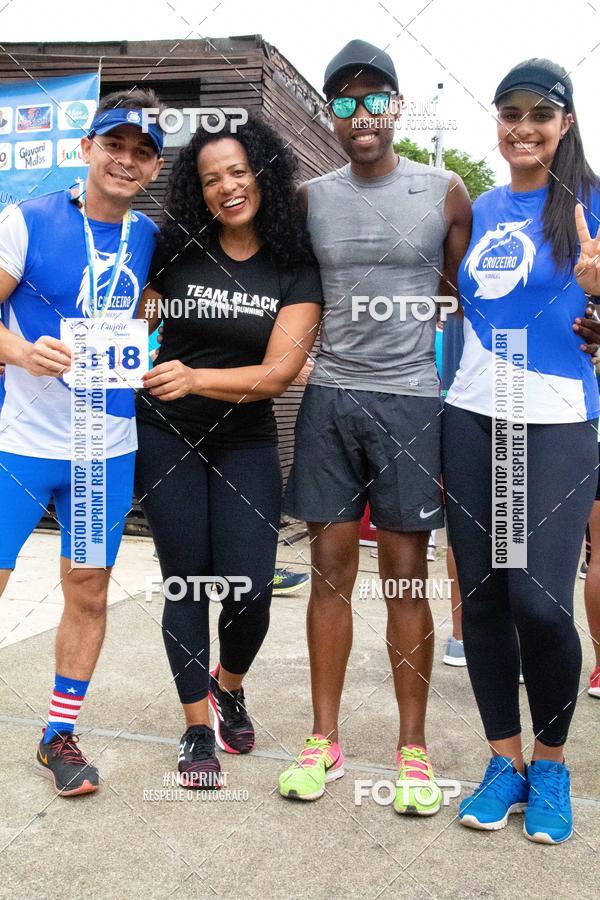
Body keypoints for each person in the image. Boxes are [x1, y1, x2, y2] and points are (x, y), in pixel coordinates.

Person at [278, 40, 472, 811]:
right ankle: (323, 740)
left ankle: (412, 751)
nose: (360, 115)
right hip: (330, 401)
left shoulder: (446, 191)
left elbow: (465, 296)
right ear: (332, 114)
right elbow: (289, 289)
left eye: (373, 100)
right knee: (328, 570)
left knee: (404, 577)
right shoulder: (310, 198)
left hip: (410, 404)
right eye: (345, 102)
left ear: (396, 108)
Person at [134, 112, 323, 788]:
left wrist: (196, 377)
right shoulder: (176, 248)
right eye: (211, 179)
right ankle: (195, 729)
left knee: (249, 589)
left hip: (245, 438)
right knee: (187, 578)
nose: (227, 188)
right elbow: (128, 308)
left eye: (238, 172)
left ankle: (229, 685)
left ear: (262, 174)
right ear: (199, 190)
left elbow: (277, 373)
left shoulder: (293, 265)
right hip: (167, 432)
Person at [443, 59, 600, 843]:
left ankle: (552, 762)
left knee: (540, 601)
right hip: (475, 411)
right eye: (511, 113)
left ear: (565, 123)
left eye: (541, 113)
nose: (524, 127)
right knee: (484, 598)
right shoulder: (483, 206)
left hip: (558, 416)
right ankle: (503, 760)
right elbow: (459, 308)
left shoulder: (591, 204)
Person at [0, 89, 164, 794]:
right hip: (19, 443)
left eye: (142, 152)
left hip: (104, 449)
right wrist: (19, 350)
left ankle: (58, 736)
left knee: (89, 590)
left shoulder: (149, 236)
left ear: (154, 168)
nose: (126, 160)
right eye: (115, 145)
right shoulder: (28, 220)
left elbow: (144, 310)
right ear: (86, 148)